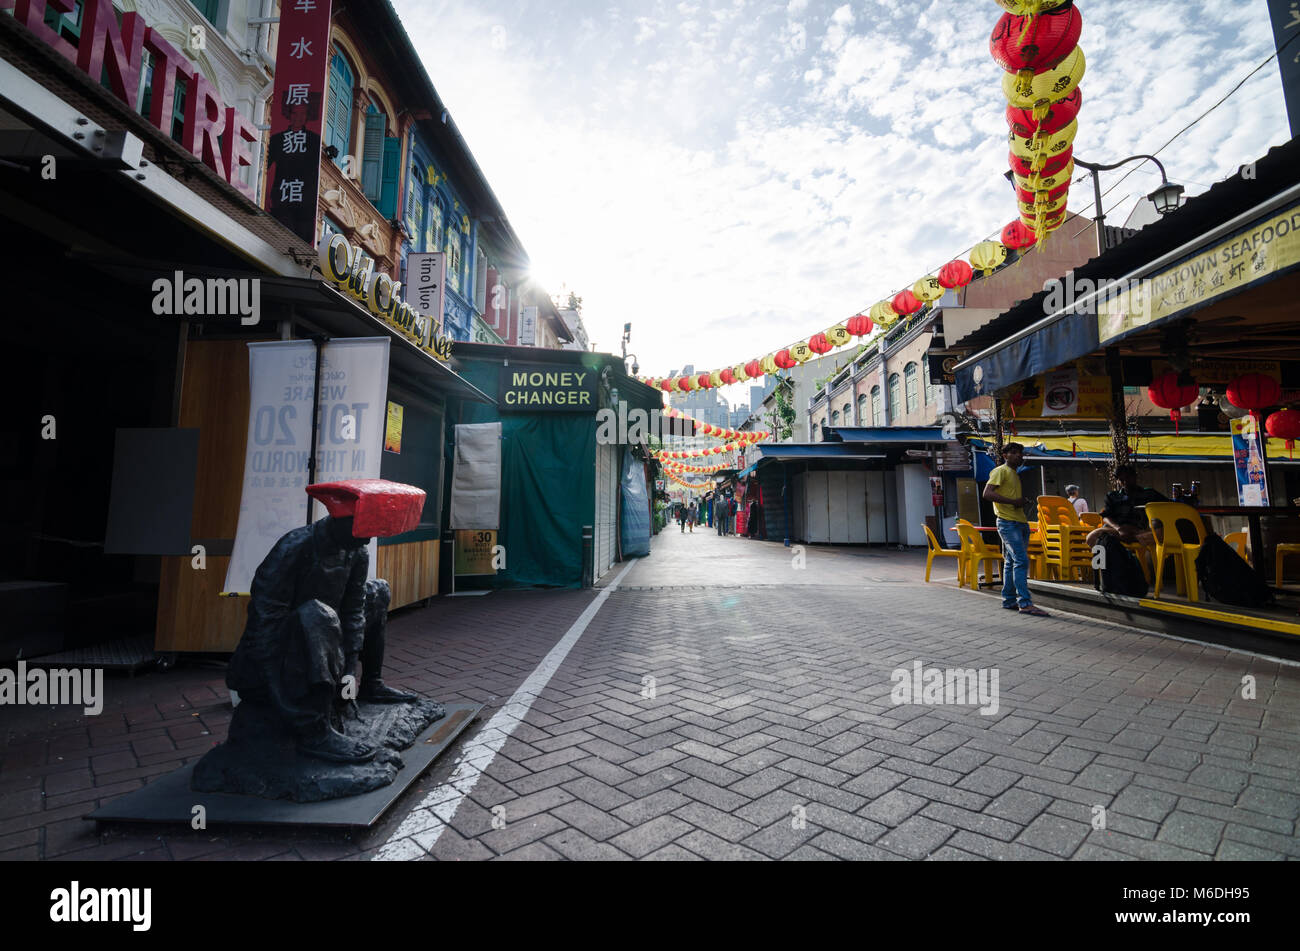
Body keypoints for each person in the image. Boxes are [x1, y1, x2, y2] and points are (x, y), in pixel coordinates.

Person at [982, 443, 1049, 617]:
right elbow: (987, 494)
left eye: (1020, 453)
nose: (1018, 456)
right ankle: (1025, 603)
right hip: (1008, 522)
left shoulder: (1014, 474)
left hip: (1018, 522)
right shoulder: (1000, 471)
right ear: (1005, 455)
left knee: (1011, 562)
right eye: (1013, 453)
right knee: (1021, 560)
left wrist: (1019, 502)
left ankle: (1009, 599)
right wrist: (1013, 502)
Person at [1085, 464, 1167, 549]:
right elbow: (1106, 516)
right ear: (1117, 481)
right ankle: (1103, 561)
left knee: (1161, 533)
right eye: (1121, 480)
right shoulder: (1112, 496)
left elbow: (1168, 506)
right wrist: (1119, 528)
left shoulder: (1149, 493)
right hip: (1119, 531)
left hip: (1142, 531)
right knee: (1091, 537)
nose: (1125, 482)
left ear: (1135, 477)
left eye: (1128, 478)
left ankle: (1134, 539)